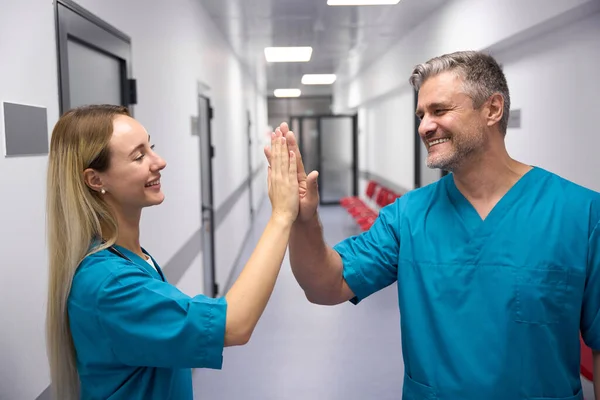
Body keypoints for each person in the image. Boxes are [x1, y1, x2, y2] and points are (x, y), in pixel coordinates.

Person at [268, 51, 600, 399]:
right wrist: (303, 220)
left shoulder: (581, 215)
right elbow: (325, 286)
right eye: (421, 115)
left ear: (493, 109)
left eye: (439, 111)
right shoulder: (407, 217)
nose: (424, 126)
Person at [45, 104, 298, 400]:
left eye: (151, 148)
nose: (159, 161)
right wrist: (281, 215)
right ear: (96, 180)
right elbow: (234, 326)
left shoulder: (132, 258)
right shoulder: (110, 284)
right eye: (139, 156)